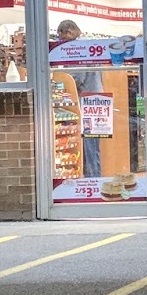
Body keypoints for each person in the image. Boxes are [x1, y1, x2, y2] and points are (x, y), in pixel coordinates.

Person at [54, 19, 103, 178]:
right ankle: (96, 179)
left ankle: (92, 180)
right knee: (94, 147)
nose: (62, 42)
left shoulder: (77, 49)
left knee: (88, 147)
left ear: (69, 32)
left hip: (86, 101)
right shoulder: (88, 45)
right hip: (98, 100)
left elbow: (76, 78)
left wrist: (59, 84)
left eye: (62, 38)